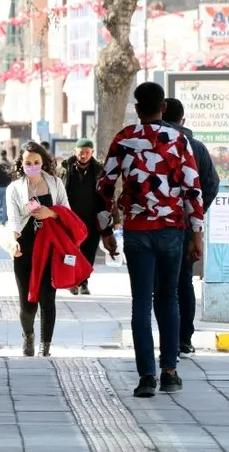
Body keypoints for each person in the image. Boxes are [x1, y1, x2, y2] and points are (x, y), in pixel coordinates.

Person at [97, 82, 204, 398]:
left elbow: (104, 188)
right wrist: (196, 235)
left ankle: (146, 377)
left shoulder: (124, 139)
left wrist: (107, 232)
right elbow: (192, 191)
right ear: (164, 108)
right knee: (168, 298)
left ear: (137, 107)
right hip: (172, 230)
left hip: (137, 231)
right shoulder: (179, 140)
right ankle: (169, 371)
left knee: (141, 302)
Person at [161, 98, 220, 356]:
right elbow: (211, 184)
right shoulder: (197, 148)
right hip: (186, 227)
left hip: (159, 224)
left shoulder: (155, 144)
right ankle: (184, 339)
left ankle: (168, 340)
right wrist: (195, 214)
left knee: (161, 285)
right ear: (183, 120)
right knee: (184, 282)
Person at [6, 141, 71, 357]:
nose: (32, 165)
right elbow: (13, 219)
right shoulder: (14, 189)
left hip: (50, 248)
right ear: (21, 164)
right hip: (25, 249)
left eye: (36, 162)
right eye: (28, 162)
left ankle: (45, 346)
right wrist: (13, 240)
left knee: (47, 298)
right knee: (27, 303)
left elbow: (66, 211)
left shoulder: (54, 183)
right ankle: (28, 335)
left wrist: (51, 213)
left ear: (43, 162)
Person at [59, 138, 115, 296]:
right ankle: (72, 282)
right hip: (70, 220)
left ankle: (83, 282)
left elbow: (108, 196)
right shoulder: (64, 168)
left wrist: (114, 220)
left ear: (92, 153)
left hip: (92, 220)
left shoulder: (99, 170)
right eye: (80, 153)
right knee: (71, 252)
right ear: (75, 152)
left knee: (88, 252)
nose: (83, 156)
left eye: (87, 153)